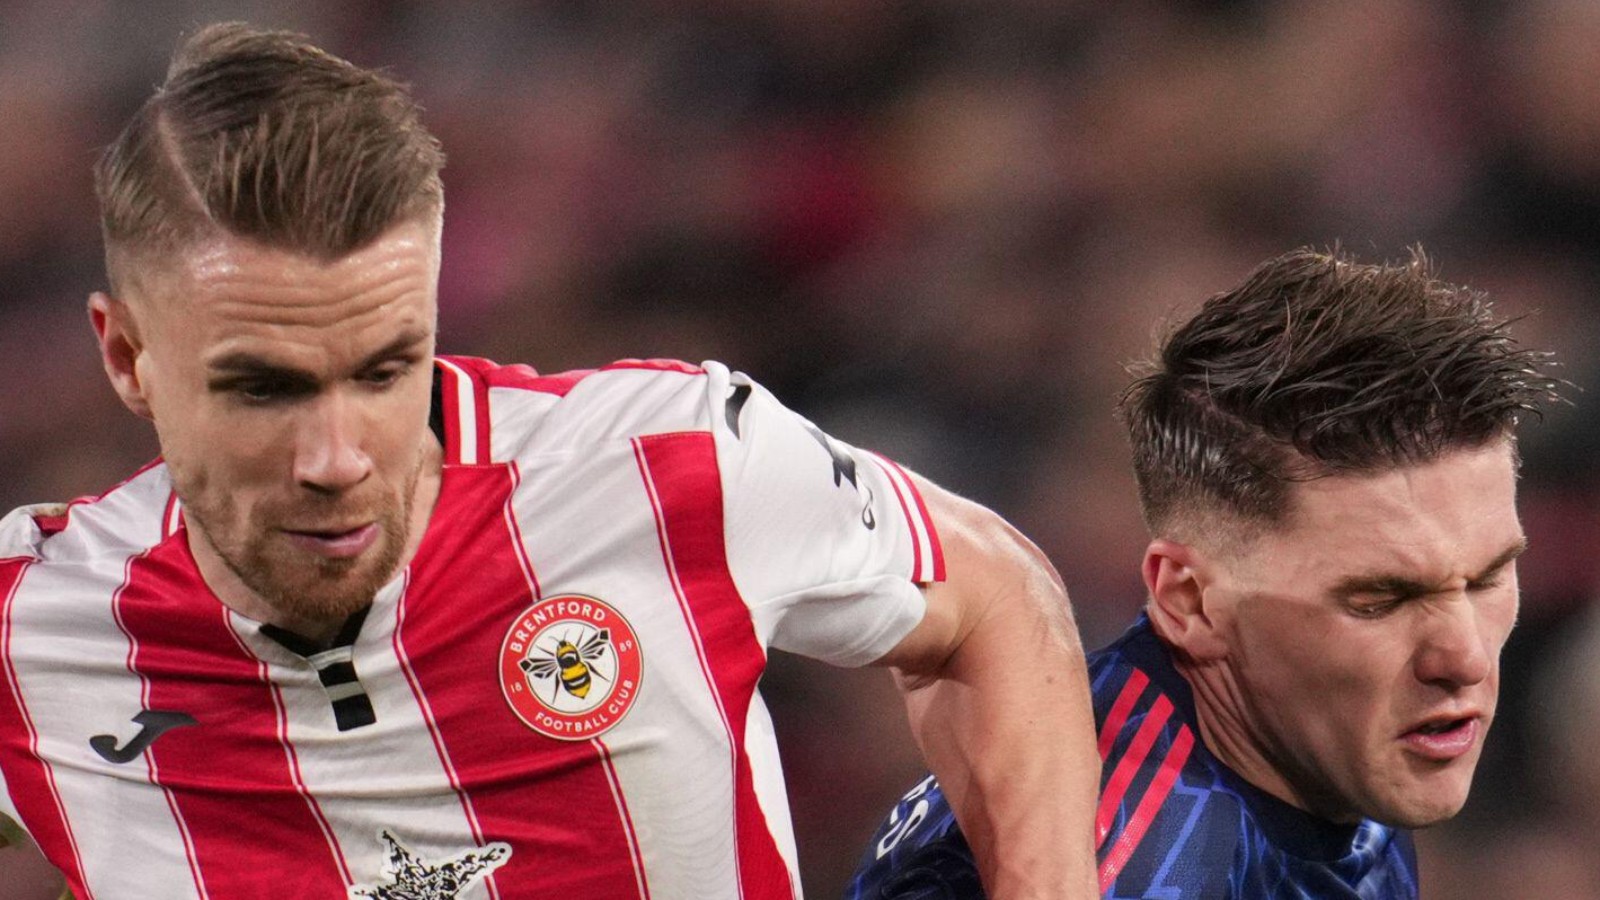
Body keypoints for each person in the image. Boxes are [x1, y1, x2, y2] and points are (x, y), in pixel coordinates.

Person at [0, 24, 1101, 900]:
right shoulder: (29, 624)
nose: (336, 459)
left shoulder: (669, 466)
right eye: (264, 388)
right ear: (128, 356)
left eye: (386, 371)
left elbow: (999, 595)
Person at [848, 248, 1560, 899]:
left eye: (1487, 578)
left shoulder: (1322, 751)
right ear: (1188, 601)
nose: (1463, 657)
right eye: (1381, 600)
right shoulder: (1135, 863)